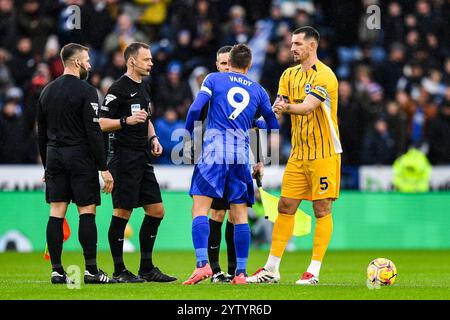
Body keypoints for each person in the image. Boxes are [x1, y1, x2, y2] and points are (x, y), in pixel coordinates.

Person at [247, 26, 341, 285]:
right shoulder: (288, 75)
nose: (292, 48)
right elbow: (278, 109)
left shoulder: (326, 76)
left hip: (324, 153)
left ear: (312, 46)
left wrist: (284, 108)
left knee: (322, 208)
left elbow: (308, 107)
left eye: (298, 44)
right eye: (291, 44)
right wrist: (261, 121)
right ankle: (271, 268)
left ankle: (313, 271)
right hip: (298, 154)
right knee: (285, 206)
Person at [182, 44, 280, 285]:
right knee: (239, 216)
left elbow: (195, 109)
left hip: (214, 154)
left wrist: (188, 135)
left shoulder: (214, 80)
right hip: (240, 157)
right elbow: (272, 125)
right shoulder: (258, 90)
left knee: (200, 209)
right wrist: (255, 124)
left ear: (230, 62)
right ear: (248, 65)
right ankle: (240, 274)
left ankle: (202, 265)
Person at [37, 43, 115, 284]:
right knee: (86, 211)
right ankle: (91, 270)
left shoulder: (46, 91)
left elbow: (41, 133)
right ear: (77, 62)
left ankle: (57, 271)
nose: (90, 64)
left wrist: (46, 166)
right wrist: (103, 167)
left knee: (56, 212)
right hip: (79, 156)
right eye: (88, 60)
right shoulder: (88, 91)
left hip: (54, 156)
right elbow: (93, 132)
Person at [98, 42, 176, 283]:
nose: (151, 63)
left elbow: (146, 118)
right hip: (122, 158)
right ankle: (120, 270)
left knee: (157, 211)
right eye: (146, 59)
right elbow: (100, 123)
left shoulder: (145, 87)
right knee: (123, 212)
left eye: (151, 59)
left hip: (142, 157)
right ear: (132, 61)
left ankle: (146, 268)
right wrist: (125, 121)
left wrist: (152, 136)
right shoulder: (117, 89)